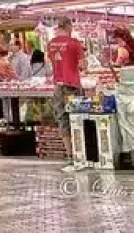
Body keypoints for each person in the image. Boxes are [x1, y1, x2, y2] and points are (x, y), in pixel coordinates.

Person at [47, 17, 85, 165]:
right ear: (69, 26)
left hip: (58, 85)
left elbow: (53, 62)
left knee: (62, 118)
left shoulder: (50, 44)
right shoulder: (74, 43)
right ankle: (79, 151)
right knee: (76, 117)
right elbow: (82, 65)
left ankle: (69, 154)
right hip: (72, 85)